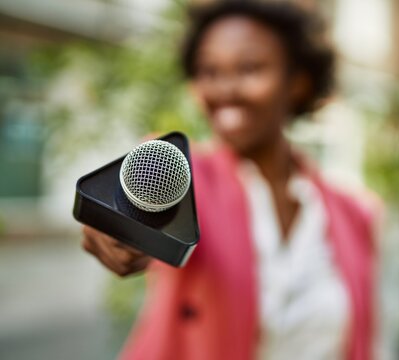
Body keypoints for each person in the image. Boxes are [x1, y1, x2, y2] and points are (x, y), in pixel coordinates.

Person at [81, 1, 377, 359]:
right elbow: (139, 205)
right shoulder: (183, 175)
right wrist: (122, 230)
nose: (225, 90)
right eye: (209, 71)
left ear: (297, 82)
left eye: (250, 68)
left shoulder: (352, 214)